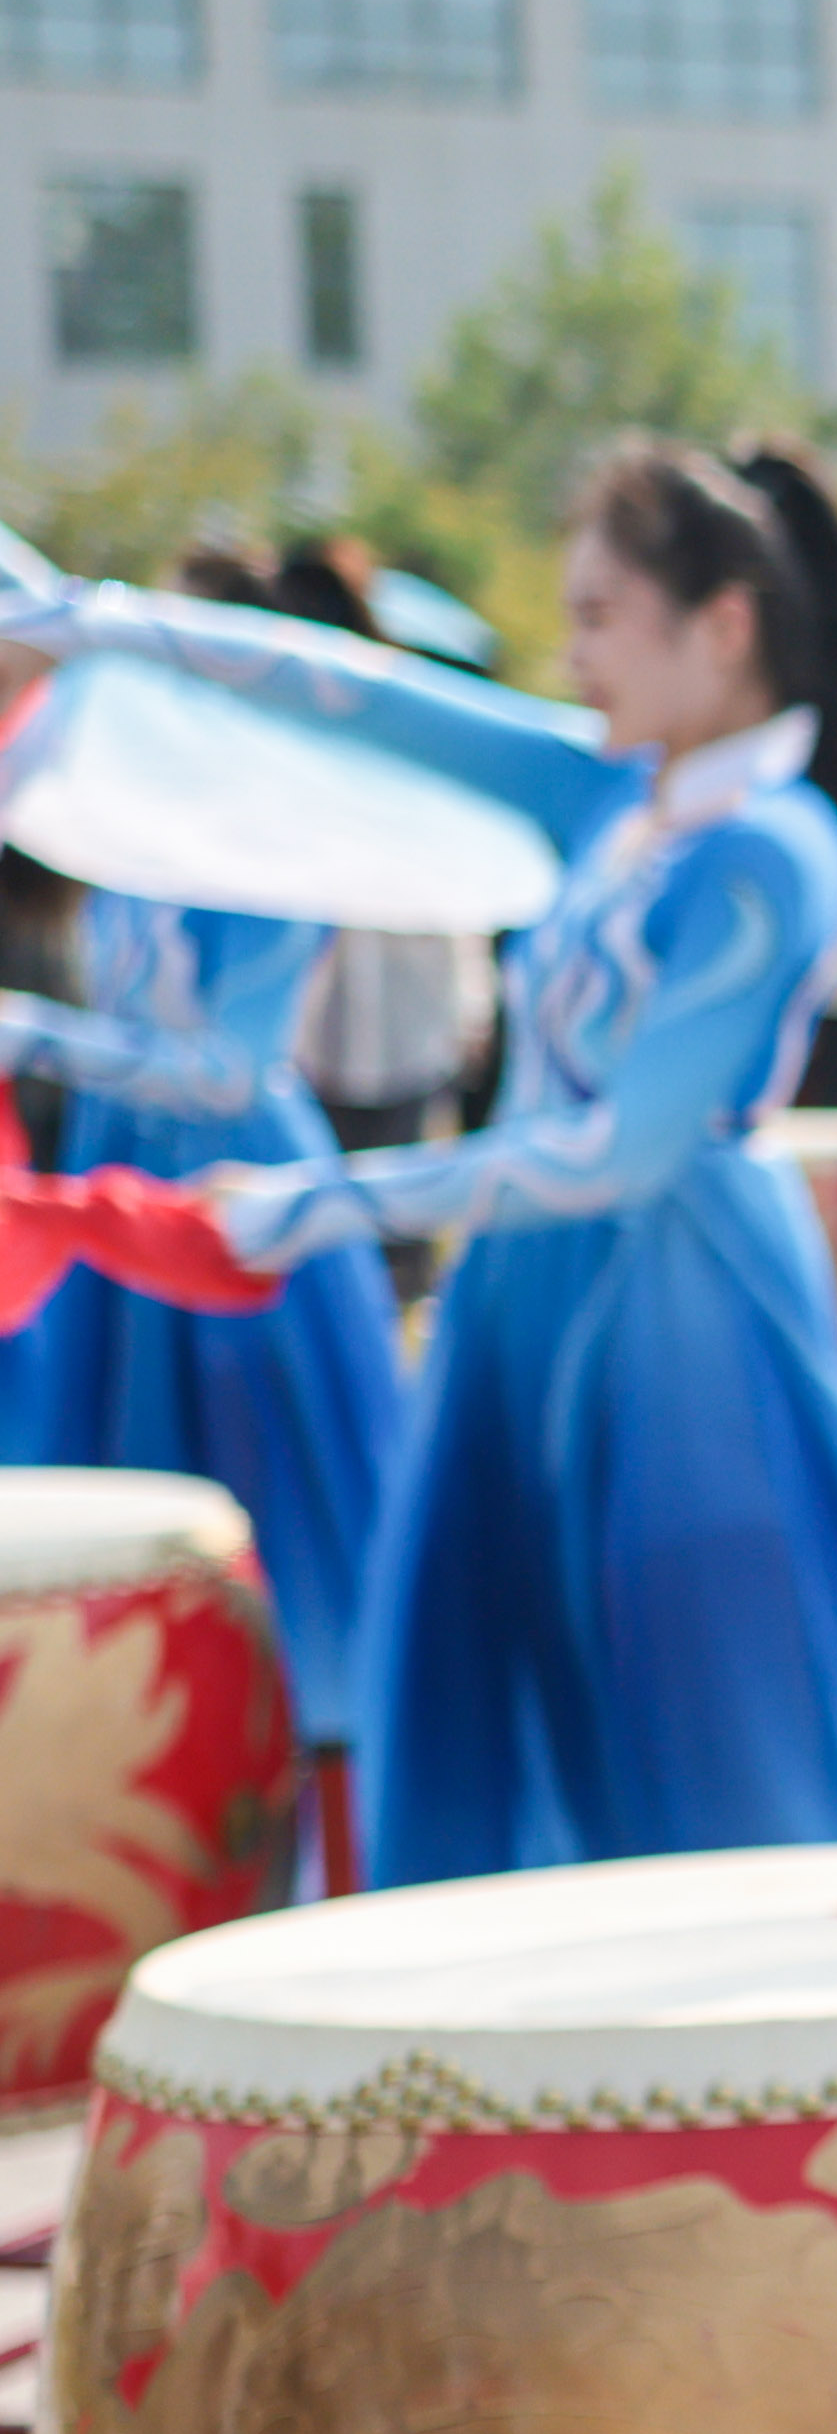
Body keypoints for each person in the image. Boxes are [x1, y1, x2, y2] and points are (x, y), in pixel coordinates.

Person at [0, 448, 837, 1883]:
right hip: (519, 1302)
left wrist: (321, 1204)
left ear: (720, 624)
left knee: (717, 1738)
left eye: (599, 615)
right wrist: (94, 624)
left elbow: (619, 1152)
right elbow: (364, 698)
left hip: (683, 1321)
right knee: (528, 1688)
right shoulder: (611, 796)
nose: (573, 652)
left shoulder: (770, 851)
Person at [0, 566, 411, 1765]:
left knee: (282, 1515)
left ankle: (298, 1773)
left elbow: (231, 1071)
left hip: (233, 1191)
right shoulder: (115, 830)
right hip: (121, 1180)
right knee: (125, 1488)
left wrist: (38, 1036)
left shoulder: (272, 842)